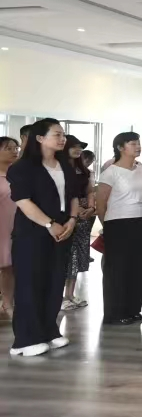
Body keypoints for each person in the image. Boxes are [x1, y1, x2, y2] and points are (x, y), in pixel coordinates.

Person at [7, 119, 78, 357]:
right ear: (40, 138)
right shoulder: (22, 168)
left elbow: (73, 196)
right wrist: (49, 224)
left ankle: (49, 330)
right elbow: (23, 202)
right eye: (57, 134)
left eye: (63, 134)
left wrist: (72, 220)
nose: (62, 139)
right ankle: (26, 339)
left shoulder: (65, 165)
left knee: (54, 281)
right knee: (30, 283)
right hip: (32, 233)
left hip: (63, 230)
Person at [97, 132, 142, 325]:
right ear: (121, 147)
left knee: (138, 267)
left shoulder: (140, 168)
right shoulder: (110, 172)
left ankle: (133, 309)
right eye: (133, 143)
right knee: (118, 270)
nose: (138, 146)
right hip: (118, 223)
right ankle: (115, 313)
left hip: (141, 220)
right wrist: (107, 226)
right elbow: (101, 204)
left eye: (138, 143)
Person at [60, 136, 95, 311]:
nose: (78, 149)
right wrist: (76, 209)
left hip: (84, 217)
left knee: (78, 256)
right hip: (65, 215)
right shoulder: (57, 168)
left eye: (80, 147)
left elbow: (90, 191)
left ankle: (70, 295)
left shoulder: (83, 170)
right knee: (66, 256)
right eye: (74, 146)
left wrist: (91, 207)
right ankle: (60, 296)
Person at [0, 136, 18, 321]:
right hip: (1, 227)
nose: (14, 151)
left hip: (16, 228)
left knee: (9, 268)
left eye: (15, 148)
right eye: (8, 148)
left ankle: (7, 304)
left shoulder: (18, 175)